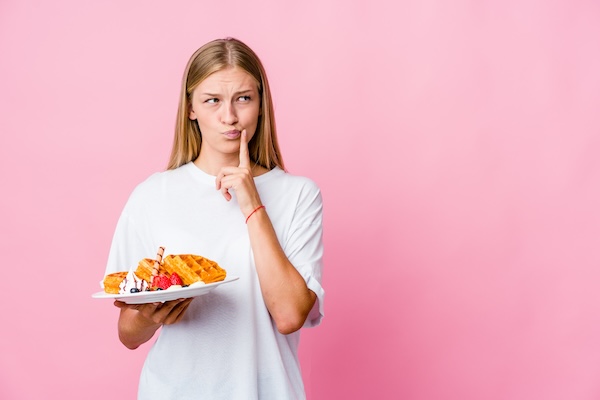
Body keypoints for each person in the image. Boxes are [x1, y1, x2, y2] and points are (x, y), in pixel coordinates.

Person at [102, 37, 324, 399]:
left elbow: (289, 316)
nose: (230, 116)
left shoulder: (299, 195)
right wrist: (150, 315)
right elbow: (128, 334)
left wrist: (252, 204)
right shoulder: (152, 195)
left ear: (261, 105)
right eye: (213, 101)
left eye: (244, 99)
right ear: (191, 108)